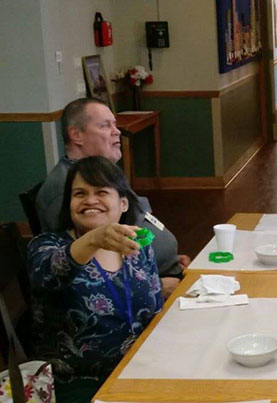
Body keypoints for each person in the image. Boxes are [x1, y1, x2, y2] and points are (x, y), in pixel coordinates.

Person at [28, 156, 163, 403]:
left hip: (138, 371)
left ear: (123, 203)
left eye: (101, 192)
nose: (90, 200)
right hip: (77, 385)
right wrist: (93, 239)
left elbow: (154, 311)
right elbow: (51, 273)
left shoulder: (138, 246)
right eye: (80, 194)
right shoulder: (47, 246)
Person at [35, 97, 187, 297]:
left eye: (115, 124)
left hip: (164, 273)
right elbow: (79, 275)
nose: (117, 131)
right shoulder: (63, 189)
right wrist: (156, 285)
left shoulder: (104, 174)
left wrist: (171, 259)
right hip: (137, 292)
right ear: (76, 135)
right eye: (106, 126)